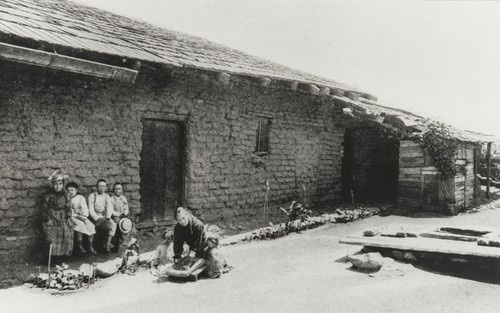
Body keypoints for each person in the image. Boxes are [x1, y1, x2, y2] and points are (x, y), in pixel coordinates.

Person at [41, 170, 74, 262]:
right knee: (52, 234)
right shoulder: (47, 195)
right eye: (55, 184)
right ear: (52, 184)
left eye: (60, 184)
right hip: (51, 216)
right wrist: (47, 219)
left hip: (63, 216)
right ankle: (52, 258)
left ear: (63, 184)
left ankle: (62, 257)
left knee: (67, 230)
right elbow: (43, 209)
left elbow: (68, 208)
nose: (57, 186)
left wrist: (68, 217)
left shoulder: (66, 194)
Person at [66, 182, 97, 254]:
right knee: (80, 225)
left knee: (91, 225)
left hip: (82, 216)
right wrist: (75, 214)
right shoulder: (66, 199)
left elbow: (85, 210)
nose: (70, 192)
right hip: (72, 217)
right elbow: (69, 211)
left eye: (72, 190)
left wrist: (82, 215)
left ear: (76, 190)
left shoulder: (81, 198)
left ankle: (90, 246)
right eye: (68, 190)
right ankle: (79, 246)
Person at [88, 179, 114, 253]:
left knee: (113, 224)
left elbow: (110, 207)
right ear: (96, 187)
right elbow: (90, 209)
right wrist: (96, 218)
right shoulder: (92, 196)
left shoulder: (107, 196)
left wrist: (108, 217)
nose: (101, 188)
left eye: (103, 186)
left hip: (105, 216)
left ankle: (107, 244)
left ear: (105, 188)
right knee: (93, 227)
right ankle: (92, 246)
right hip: (95, 216)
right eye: (99, 186)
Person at [109, 182, 129, 252]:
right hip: (114, 216)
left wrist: (125, 213)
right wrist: (118, 214)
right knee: (118, 222)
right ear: (113, 190)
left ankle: (124, 239)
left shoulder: (123, 198)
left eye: (119, 189)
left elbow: (126, 207)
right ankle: (116, 241)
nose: (117, 191)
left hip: (123, 215)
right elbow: (111, 210)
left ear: (122, 190)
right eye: (116, 189)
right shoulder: (111, 199)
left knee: (127, 223)